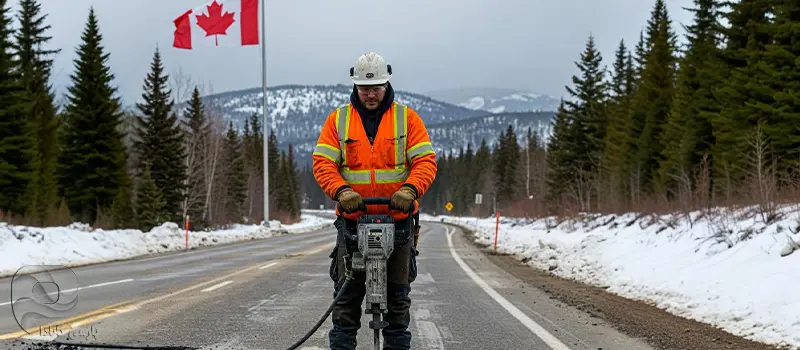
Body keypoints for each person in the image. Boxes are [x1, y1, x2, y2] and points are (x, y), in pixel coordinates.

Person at [312, 52, 437, 350]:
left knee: (397, 301)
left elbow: (425, 161)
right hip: (353, 225)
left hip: (399, 223)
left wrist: (410, 190)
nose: (370, 94)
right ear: (355, 86)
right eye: (365, 88)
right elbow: (323, 163)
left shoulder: (407, 119)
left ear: (387, 83)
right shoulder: (338, 121)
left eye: (377, 87)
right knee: (345, 301)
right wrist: (342, 191)